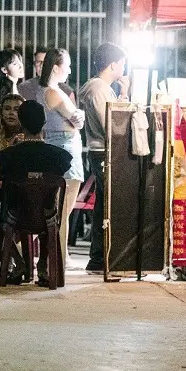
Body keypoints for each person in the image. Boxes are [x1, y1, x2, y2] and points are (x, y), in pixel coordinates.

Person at [0, 100, 73, 285]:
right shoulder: (61, 156)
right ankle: (43, 267)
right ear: (44, 123)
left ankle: (19, 263)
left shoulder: (8, 156)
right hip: (47, 215)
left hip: (15, 214)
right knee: (47, 214)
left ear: (21, 123)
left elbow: (2, 175)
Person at [77, 42, 130, 271]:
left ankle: (99, 257)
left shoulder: (99, 88)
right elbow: (111, 122)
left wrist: (124, 93)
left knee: (103, 205)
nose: (123, 69)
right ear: (112, 65)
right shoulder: (99, 88)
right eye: (122, 64)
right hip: (102, 151)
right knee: (106, 206)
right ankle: (100, 256)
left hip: (100, 150)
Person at [36, 48, 85, 272]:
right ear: (56, 67)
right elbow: (76, 118)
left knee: (59, 210)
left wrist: (78, 117)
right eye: (68, 65)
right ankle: (57, 260)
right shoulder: (53, 92)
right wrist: (78, 116)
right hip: (65, 150)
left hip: (61, 147)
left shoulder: (47, 91)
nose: (70, 70)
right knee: (62, 211)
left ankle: (56, 257)